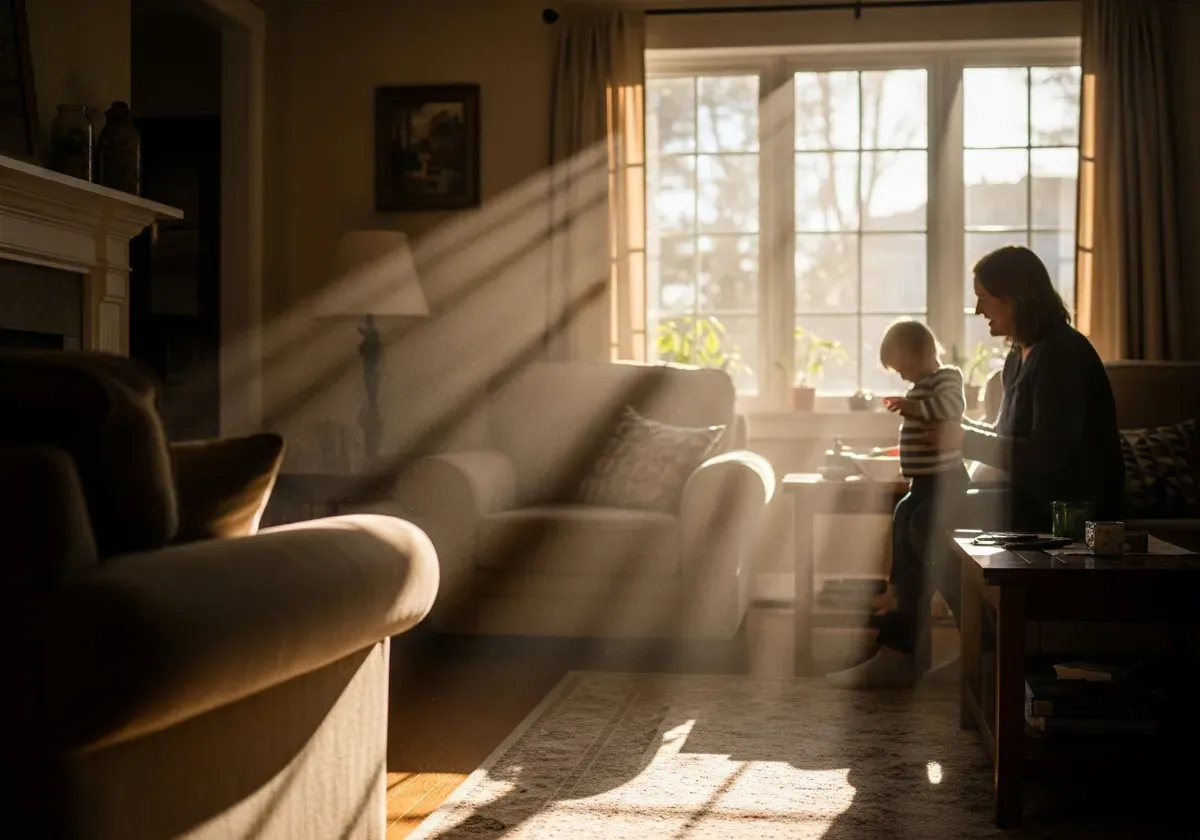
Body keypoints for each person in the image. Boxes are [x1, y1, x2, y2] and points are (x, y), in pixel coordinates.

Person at [828, 245, 1124, 689]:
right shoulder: (1018, 356)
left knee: (929, 518)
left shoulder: (1062, 354)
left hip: (1068, 509)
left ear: (1016, 295)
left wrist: (961, 438)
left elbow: (1045, 455)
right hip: (1031, 494)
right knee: (913, 509)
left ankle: (984, 650)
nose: (978, 308)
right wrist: (941, 425)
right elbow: (1005, 438)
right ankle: (904, 650)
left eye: (985, 298)